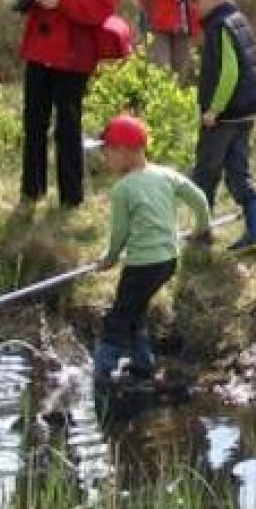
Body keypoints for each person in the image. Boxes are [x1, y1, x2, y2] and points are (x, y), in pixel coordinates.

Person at [17, 0, 123, 209]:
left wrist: (60, 2)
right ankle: (31, 192)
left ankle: (71, 199)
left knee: (67, 125)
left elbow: (103, 6)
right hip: (39, 45)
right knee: (33, 120)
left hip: (73, 51)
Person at [90, 114, 211, 385]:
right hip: (168, 262)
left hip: (142, 266)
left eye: (107, 152)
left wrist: (109, 259)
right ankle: (143, 365)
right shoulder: (166, 175)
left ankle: (101, 374)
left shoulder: (123, 189)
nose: (105, 159)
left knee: (117, 318)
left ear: (124, 152)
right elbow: (200, 199)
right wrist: (202, 227)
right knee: (136, 310)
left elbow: (119, 235)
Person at [184, 0, 256, 253]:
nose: (192, 5)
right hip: (245, 112)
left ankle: (201, 232)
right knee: (238, 172)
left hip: (224, 115)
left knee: (205, 172)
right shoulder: (237, 19)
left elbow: (231, 71)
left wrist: (214, 109)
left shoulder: (220, 25)